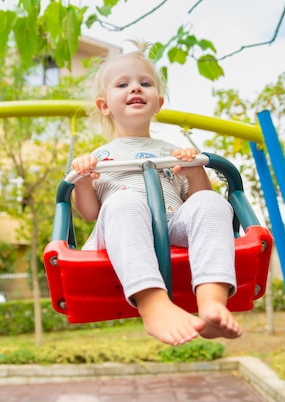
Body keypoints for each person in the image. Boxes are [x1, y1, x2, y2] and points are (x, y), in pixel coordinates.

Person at [71, 41, 242, 346]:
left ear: (158, 102)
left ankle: (212, 301)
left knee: (212, 202)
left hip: (171, 222)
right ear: (104, 105)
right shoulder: (100, 156)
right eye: (123, 84)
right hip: (119, 230)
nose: (135, 88)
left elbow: (198, 200)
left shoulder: (172, 151)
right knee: (125, 201)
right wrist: (83, 181)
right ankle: (154, 305)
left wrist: (192, 169)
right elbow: (90, 213)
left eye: (144, 83)